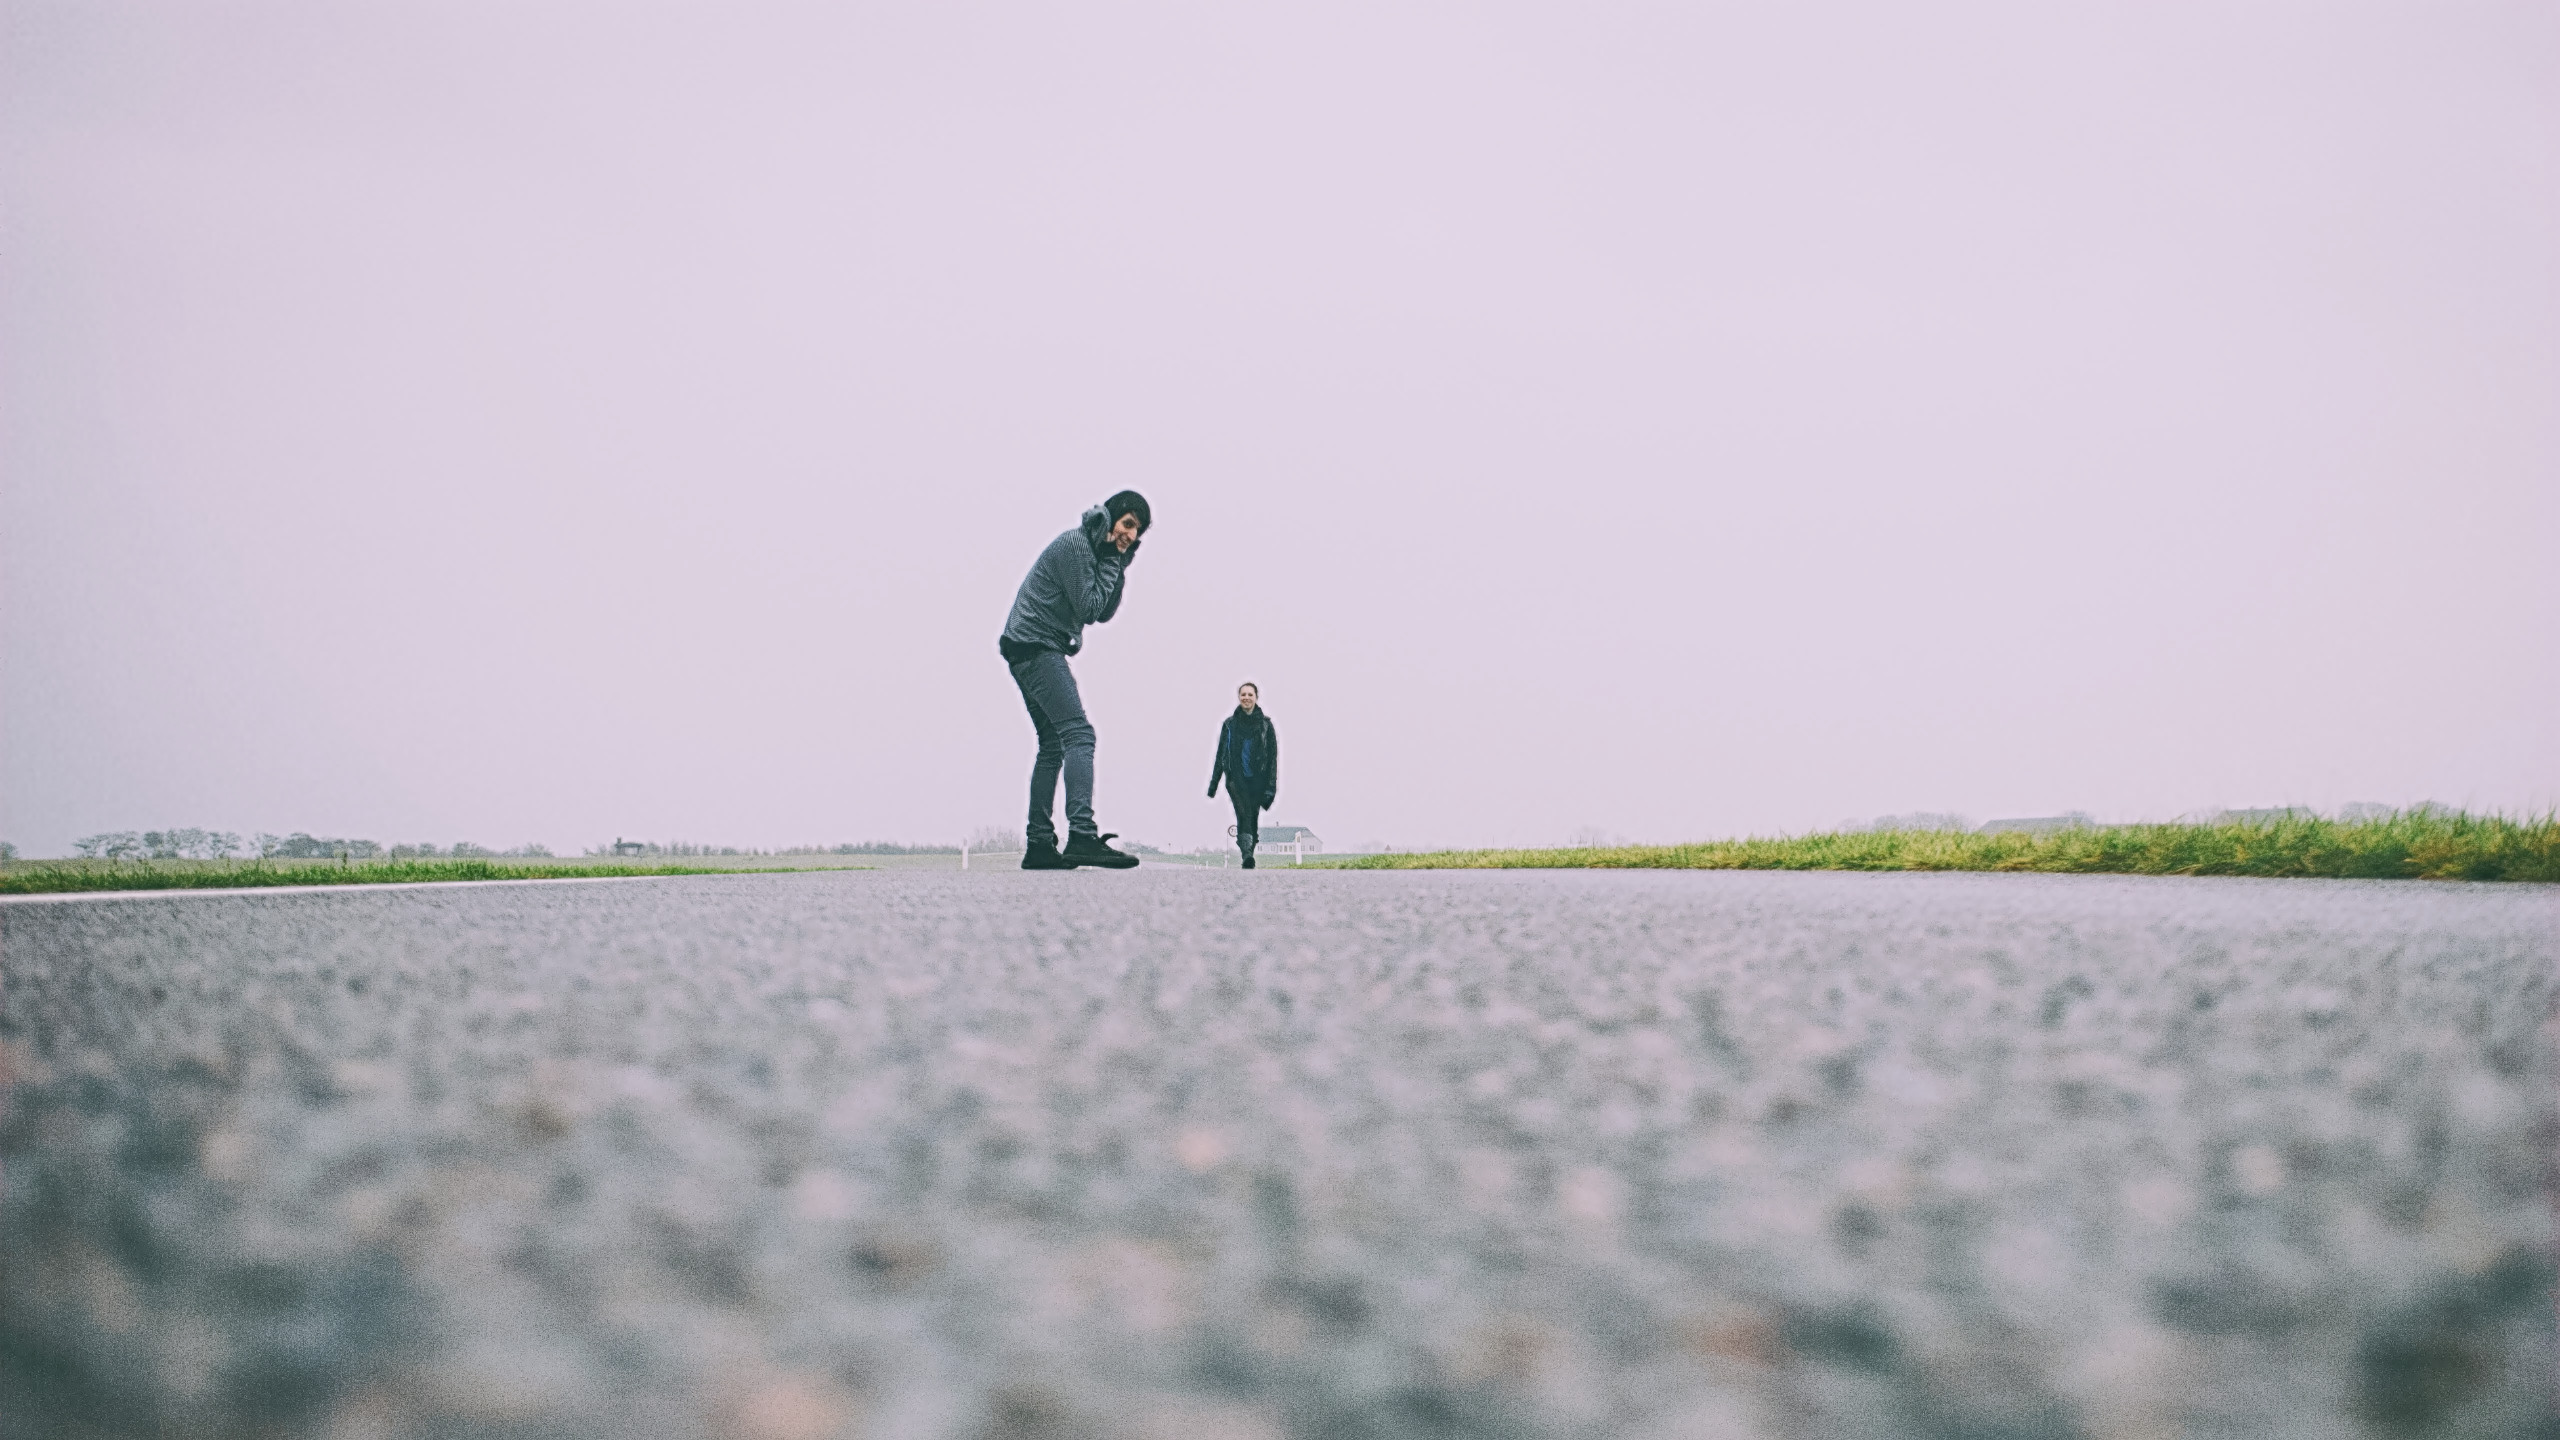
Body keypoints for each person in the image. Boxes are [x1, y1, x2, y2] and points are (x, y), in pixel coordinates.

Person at [999, 492, 1150, 870]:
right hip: (1034, 645)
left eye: (1138, 531)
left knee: (1052, 745)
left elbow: (1105, 611)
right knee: (1079, 735)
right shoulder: (1078, 545)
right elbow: (1089, 607)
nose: (1130, 534)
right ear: (1112, 517)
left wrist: (1117, 565)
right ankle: (1082, 835)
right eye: (1127, 523)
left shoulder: (1097, 552)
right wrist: (1115, 562)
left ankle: (1039, 846)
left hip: (1027, 646)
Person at [1207, 681, 1278, 868]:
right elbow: (1221, 754)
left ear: (1256, 698)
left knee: (1253, 817)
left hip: (1258, 780)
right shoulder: (1230, 725)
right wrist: (1214, 784)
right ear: (1239, 697)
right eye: (1243, 694)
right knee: (1243, 814)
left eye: (1250, 694)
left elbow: (1273, 759)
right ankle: (1246, 854)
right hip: (1235, 780)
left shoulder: (1266, 726)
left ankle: (1249, 854)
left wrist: (1271, 787)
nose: (1246, 697)